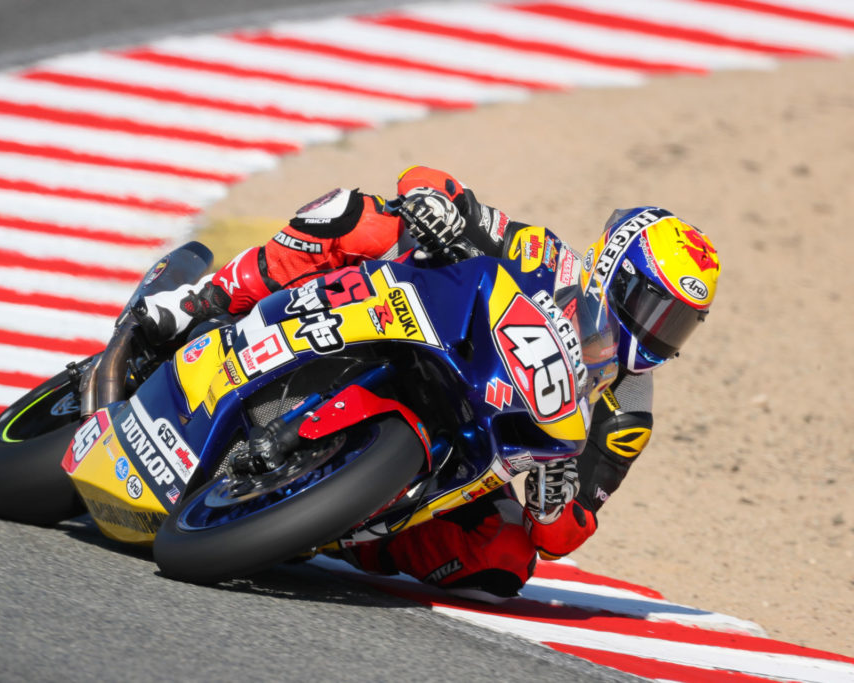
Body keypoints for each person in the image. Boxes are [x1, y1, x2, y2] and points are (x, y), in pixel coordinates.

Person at [133, 165, 721, 599]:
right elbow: (436, 186)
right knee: (357, 217)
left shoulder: (627, 413)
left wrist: (553, 498)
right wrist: (433, 205)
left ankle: (341, 530)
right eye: (653, 307)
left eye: (678, 325)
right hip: (409, 326)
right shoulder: (545, 256)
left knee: (506, 559)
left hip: (470, 445)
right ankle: (198, 301)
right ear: (617, 268)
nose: (658, 334)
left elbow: (565, 535)